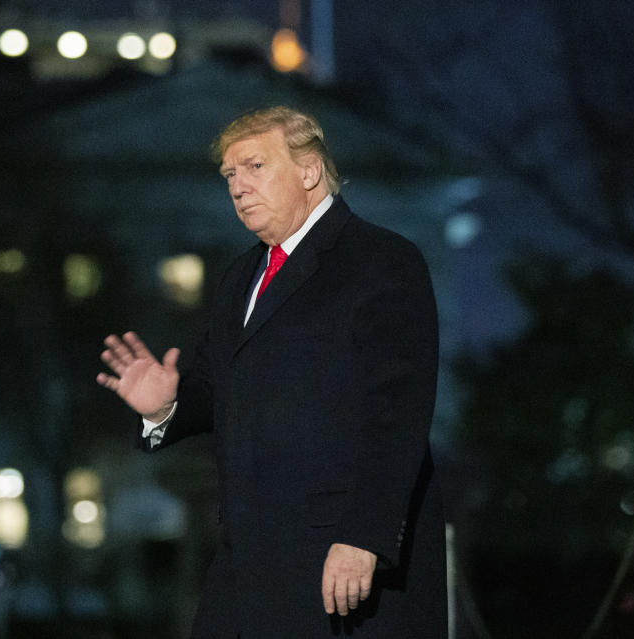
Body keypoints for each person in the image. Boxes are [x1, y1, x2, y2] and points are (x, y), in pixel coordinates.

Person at [97, 106, 446, 638]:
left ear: (309, 171)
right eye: (230, 175)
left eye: (255, 166)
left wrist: (364, 538)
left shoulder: (381, 261)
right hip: (245, 567)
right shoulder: (241, 276)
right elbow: (220, 388)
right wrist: (167, 406)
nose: (238, 186)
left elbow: (396, 413)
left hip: (339, 562)